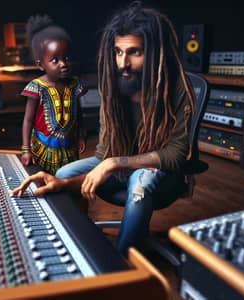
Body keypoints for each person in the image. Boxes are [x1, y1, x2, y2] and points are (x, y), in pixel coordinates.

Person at [11, 1, 195, 256]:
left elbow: (176, 154)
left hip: (162, 171)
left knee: (141, 182)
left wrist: (113, 164)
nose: (123, 63)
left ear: (154, 53)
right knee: (62, 173)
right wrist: (64, 183)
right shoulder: (115, 83)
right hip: (121, 167)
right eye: (118, 52)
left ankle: (120, 268)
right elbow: (105, 152)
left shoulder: (175, 87)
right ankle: (74, 246)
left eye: (134, 52)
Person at [20, 15, 87, 175]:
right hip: (43, 149)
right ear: (41, 65)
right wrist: (25, 149)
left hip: (69, 148)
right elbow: (28, 120)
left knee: (67, 181)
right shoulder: (37, 87)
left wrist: (81, 135)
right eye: (55, 60)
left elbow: (78, 113)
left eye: (66, 58)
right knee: (44, 182)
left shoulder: (75, 84)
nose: (63, 63)